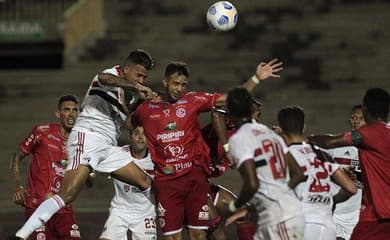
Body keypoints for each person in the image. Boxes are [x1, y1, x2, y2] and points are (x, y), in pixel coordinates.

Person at [130, 59, 283, 240]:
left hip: (195, 177)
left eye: (183, 84)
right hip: (166, 181)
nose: (179, 89)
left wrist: (256, 78)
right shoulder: (146, 107)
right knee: (173, 238)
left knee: (199, 234)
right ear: (165, 82)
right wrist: (136, 100)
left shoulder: (192, 100)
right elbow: (130, 124)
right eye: (175, 84)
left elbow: (229, 100)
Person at [14, 49, 156, 240]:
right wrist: (134, 86)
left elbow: (129, 124)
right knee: (68, 195)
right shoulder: (111, 75)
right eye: (139, 75)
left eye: (144, 77)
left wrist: (139, 99)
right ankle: (21, 235)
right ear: (126, 69)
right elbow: (104, 78)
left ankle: (149, 226)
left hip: (107, 146)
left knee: (145, 182)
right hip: (88, 137)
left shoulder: (129, 94)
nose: (141, 80)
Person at [222, 87, 306, 240]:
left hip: (279, 218)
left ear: (230, 112)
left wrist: (234, 206)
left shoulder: (239, 138)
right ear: (251, 108)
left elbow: (252, 184)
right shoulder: (269, 133)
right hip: (288, 212)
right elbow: (299, 174)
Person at [309, 88, 390, 240]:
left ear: (366, 110)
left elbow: (329, 142)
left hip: (376, 217)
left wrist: (302, 140)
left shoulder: (370, 133)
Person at [277, 106, 357, 240]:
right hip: (327, 227)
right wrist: (329, 200)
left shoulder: (285, 157)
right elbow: (351, 188)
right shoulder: (321, 154)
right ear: (304, 128)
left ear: (280, 129)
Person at [10, 94, 81, 239]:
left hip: (63, 209)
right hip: (37, 206)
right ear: (58, 113)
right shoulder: (42, 132)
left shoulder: (80, 141)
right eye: (66, 110)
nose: (71, 114)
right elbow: (17, 156)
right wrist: (17, 186)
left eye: (75, 110)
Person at [201, 99, 262, 240]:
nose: (256, 121)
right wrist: (227, 148)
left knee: (247, 214)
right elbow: (217, 115)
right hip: (191, 184)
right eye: (254, 116)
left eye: (258, 117)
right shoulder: (226, 123)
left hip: (205, 185)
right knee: (217, 233)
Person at [100, 126, 156, 240]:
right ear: (130, 137)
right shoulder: (118, 154)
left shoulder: (156, 157)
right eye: (136, 133)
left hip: (145, 213)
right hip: (120, 210)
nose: (140, 137)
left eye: (144, 134)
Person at [323, 105, 365, 240]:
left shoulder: (373, 151)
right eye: (354, 117)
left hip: (355, 215)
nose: (356, 121)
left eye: (361, 118)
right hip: (334, 212)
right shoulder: (336, 145)